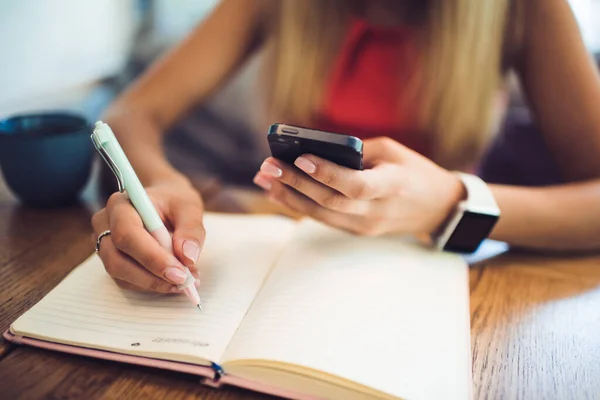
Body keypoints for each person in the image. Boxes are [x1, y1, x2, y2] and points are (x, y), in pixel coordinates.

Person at [91, 0, 600, 294]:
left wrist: (451, 201)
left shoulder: (528, 10)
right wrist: (161, 181)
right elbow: (129, 114)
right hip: (292, 262)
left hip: (436, 279)